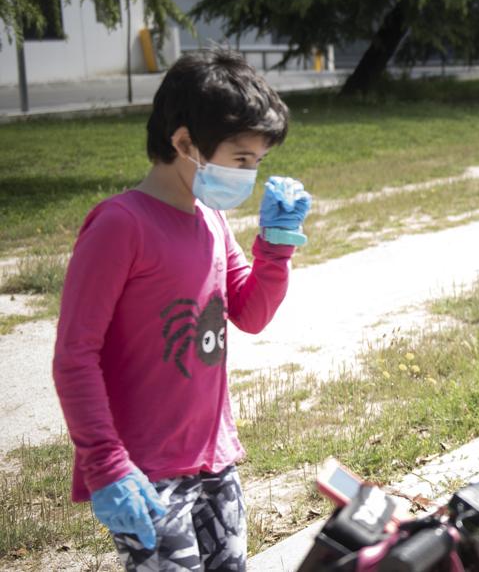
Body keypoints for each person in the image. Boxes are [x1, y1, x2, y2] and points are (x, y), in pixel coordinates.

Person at [52, 49, 313, 571]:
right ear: (185, 143)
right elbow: (74, 357)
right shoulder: (120, 225)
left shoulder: (211, 220)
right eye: (241, 160)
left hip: (216, 460)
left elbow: (250, 313)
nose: (249, 175)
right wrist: (107, 466)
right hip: (145, 474)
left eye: (257, 163)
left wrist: (277, 245)